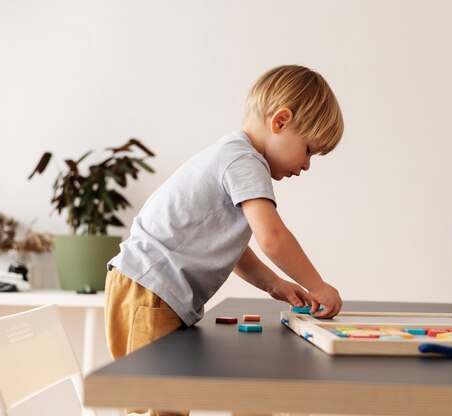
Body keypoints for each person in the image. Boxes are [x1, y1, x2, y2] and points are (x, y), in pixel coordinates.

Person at [104, 64, 344, 416]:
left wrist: (273, 283)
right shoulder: (244, 160)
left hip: (147, 288)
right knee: (159, 407)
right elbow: (273, 237)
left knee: (166, 403)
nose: (307, 165)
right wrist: (318, 285)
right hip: (150, 290)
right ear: (280, 122)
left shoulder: (234, 155)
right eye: (309, 150)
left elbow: (232, 248)